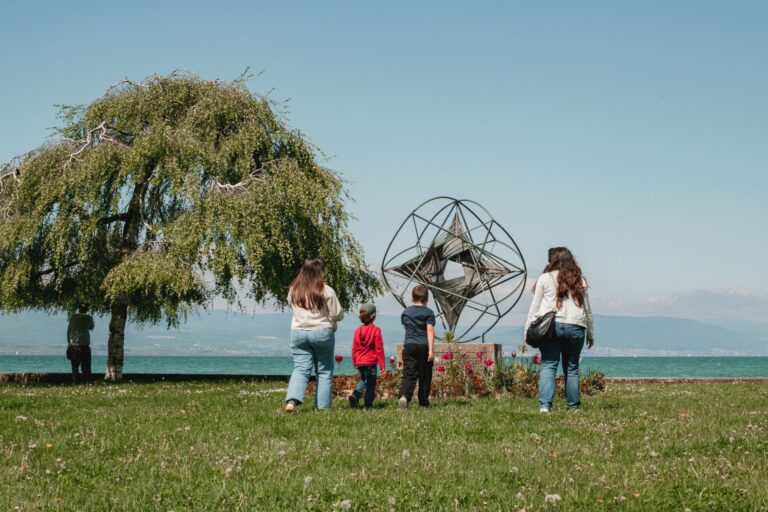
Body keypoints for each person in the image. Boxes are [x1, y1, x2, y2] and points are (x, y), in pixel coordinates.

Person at [525, 247, 595, 413]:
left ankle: (545, 406)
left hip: (551, 327)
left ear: (552, 260)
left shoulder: (544, 278)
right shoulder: (580, 281)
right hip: (577, 326)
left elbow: (535, 306)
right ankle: (573, 407)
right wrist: (591, 333)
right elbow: (588, 310)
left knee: (549, 364)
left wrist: (528, 328)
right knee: (572, 368)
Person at [284, 257, 344, 413]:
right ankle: (322, 408)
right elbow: (338, 314)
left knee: (300, 368)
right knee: (324, 371)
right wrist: (330, 319)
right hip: (322, 331)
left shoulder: (293, 290)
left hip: (298, 332)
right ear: (320, 271)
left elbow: (292, 306)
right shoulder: (326, 290)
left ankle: (292, 400)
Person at [397, 285, 435, 409]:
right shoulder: (428, 312)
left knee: (409, 373)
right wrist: (431, 350)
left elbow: (406, 330)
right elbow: (429, 330)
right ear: (426, 299)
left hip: (409, 345)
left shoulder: (406, 312)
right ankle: (423, 401)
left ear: (412, 298)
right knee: (425, 374)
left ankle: (404, 397)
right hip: (423, 345)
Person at [349, 303, 385, 409]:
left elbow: (354, 348)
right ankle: (367, 405)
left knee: (363, 380)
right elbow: (379, 349)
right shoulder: (376, 330)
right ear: (373, 316)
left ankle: (355, 395)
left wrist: (355, 362)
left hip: (360, 362)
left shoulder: (357, 331)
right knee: (370, 384)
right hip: (370, 362)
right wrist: (382, 366)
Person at [67, 303, 94, 383]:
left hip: (74, 345)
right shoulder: (89, 317)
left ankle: (75, 381)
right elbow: (91, 327)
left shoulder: (72, 317)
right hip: (85, 345)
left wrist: (69, 343)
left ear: (78, 309)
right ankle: (87, 381)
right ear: (87, 309)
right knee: (86, 366)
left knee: (75, 366)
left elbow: (69, 331)